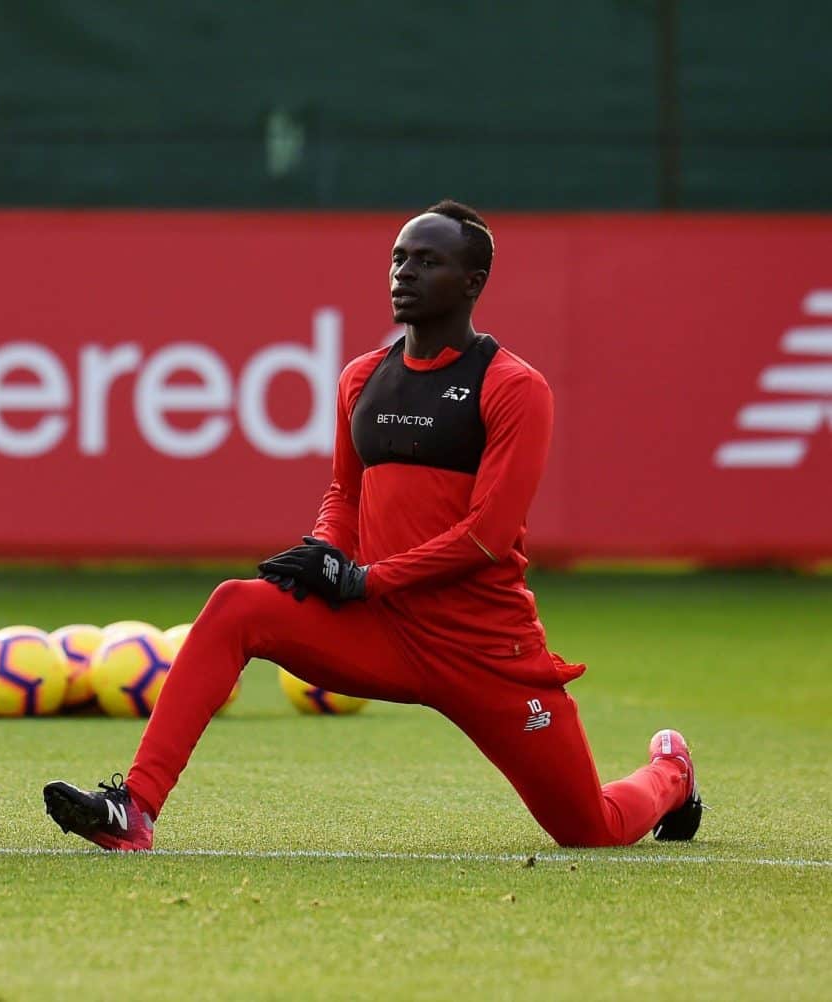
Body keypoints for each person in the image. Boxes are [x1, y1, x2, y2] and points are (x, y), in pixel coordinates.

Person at [43, 200, 702, 852]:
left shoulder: (514, 387)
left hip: (484, 651)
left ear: (472, 282)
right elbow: (344, 495)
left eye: (428, 261)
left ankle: (670, 774)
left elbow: (487, 536)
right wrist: (325, 553)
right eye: (399, 258)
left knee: (590, 831)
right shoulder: (362, 378)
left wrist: (362, 580)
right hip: (383, 631)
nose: (404, 272)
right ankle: (134, 808)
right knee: (235, 606)